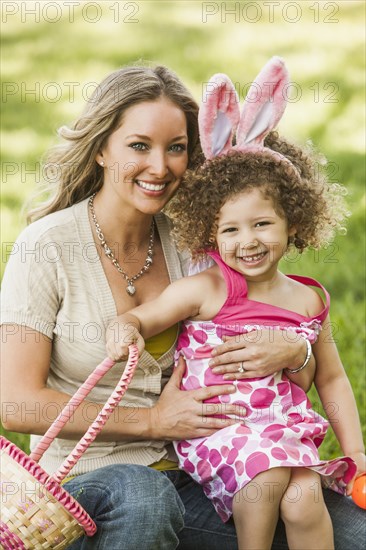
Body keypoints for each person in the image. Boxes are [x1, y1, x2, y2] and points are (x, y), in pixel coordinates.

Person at [0, 62, 364, 550]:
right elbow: (16, 404)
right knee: (146, 497)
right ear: (102, 150)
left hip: (207, 465)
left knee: (351, 531)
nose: (160, 166)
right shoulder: (46, 246)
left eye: (177, 148)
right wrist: (151, 422)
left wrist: (295, 355)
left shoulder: (201, 241)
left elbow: (277, 313)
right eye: (139, 146)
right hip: (90, 480)